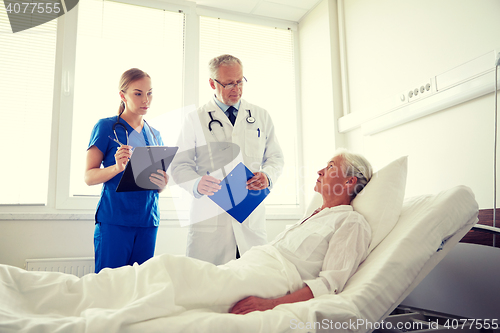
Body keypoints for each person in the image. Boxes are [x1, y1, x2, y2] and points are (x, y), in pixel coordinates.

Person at [0, 149, 373, 331]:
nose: (322, 170)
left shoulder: (351, 223)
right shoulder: (317, 214)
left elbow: (329, 284)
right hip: (254, 263)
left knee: (169, 270)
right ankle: (55, 297)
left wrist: (270, 304)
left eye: (331, 168)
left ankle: (70, 309)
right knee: (164, 269)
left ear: (351, 183)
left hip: (273, 278)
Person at [171, 54, 285, 265]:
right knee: (208, 288)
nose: (237, 88)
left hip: (249, 217)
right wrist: (196, 183)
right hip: (210, 219)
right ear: (212, 83)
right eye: (229, 83)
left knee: (251, 281)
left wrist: (268, 176)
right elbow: (179, 165)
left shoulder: (260, 115)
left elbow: (276, 157)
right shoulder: (195, 119)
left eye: (240, 81)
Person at [85, 68, 169, 273]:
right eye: (138, 93)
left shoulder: (155, 135)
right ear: (123, 95)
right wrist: (117, 167)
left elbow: (156, 187)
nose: (145, 100)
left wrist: (163, 183)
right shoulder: (106, 127)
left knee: (139, 287)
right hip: (115, 220)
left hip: (148, 221)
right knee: (109, 287)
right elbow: (89, 176)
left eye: (149, 93)